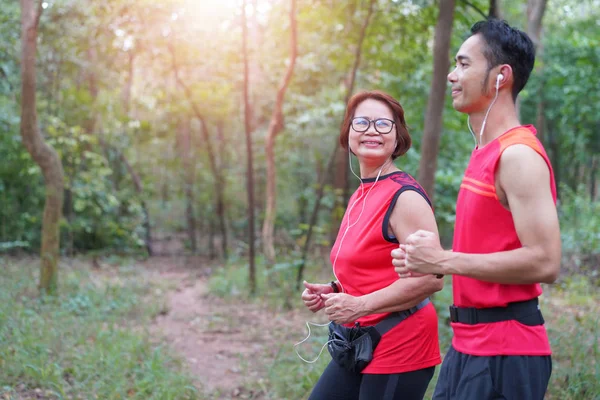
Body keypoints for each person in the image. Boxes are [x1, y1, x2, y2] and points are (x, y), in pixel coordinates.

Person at [392, 19, 561, 400]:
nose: (453, 75)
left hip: (507, 352)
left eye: (464, 64)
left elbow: (546, 262)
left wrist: (445, 259)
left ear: (501, 76)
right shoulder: (485, 151)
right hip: (467, 346)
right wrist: (430, 261)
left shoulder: (517, 155)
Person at [301, 90, 444, 400]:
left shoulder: (405, 197)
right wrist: (335, 290)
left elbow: (432, 278)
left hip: (401, 343)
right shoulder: (361, 195)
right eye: (361, 122)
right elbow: (374, 268)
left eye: (383, 124)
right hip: (358, 343)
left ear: (398, 137)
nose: (371, 130)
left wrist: (360, 305)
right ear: (348, 132)